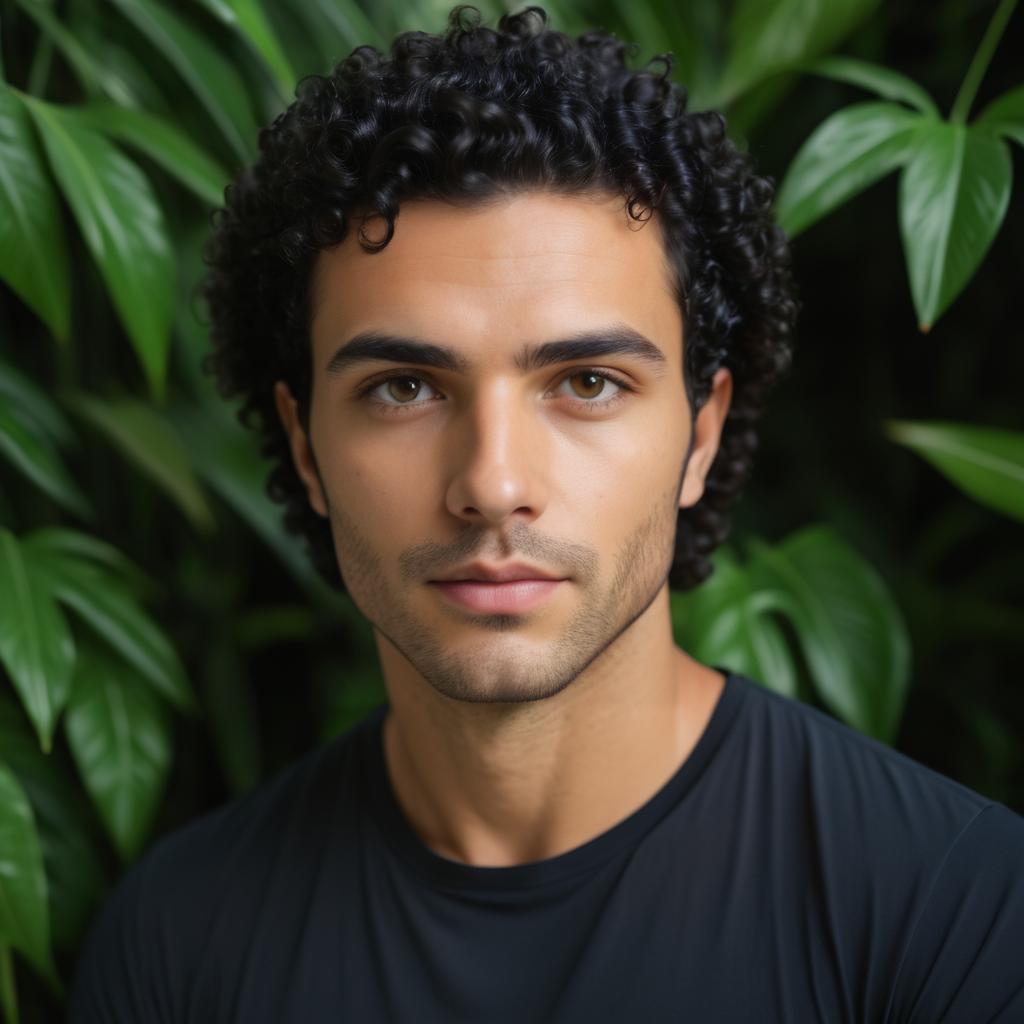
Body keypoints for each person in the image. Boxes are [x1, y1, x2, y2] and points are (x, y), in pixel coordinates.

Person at [69, 5, 1024, 1021]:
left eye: (587, 382)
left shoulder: (952, 911)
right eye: (403, 387)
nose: (492, 480)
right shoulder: (176, 943)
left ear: (700, 434)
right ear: (306, 448)